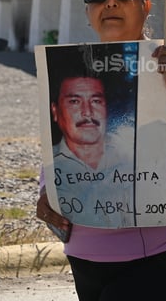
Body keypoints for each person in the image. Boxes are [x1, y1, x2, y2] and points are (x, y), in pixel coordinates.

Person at [35, 0, 166, 301]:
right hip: (85, 249)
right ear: (87, 11)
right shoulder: (69, 68)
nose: (110, 2)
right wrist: (45, 191)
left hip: (160, 250)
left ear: (146, 6)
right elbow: (58, 146)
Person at [49, 69, 136, 228]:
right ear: (55, 111)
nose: (87, 112)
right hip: (82, 248)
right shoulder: (52, 163)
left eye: (96, 101)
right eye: (74, 101)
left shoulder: (134, 156)